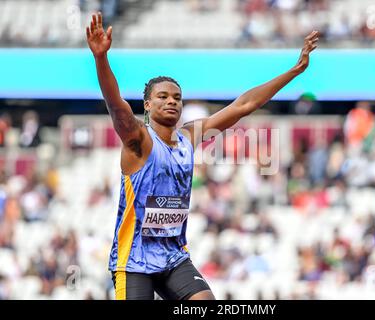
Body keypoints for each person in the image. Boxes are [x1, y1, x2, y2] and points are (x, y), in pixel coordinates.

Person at [86, 11, 319, 300]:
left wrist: (294, 71)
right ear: (147, 105)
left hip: (173, 256)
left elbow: (243, 105)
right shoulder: (138, 139)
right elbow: (115, 105)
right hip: (134, 261)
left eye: (177, 97)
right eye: (163, 97)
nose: (172, 101)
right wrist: (100, 58)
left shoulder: (189, 137)